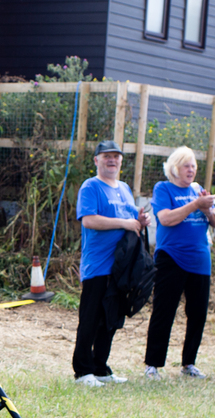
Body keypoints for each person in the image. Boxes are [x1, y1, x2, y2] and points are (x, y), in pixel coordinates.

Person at [72, 140, 149, 387]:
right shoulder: (90, 187)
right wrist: (125, 223)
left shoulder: (125, 188)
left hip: (120, 267)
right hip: (97, 265)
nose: (112, 160)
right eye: (106, 156)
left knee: (110, 321)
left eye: (116, 156)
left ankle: (101, 368)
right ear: (96, 160)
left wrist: (139, 220)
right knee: (90, 319)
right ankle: (83, 371)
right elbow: (89, 221)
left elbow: (130, 218)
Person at [144, 146, 215, 379]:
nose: (192, 170)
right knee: (164, 311)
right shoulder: (163, 188)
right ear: (174, 168)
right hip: (171, 258)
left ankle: (189, 363)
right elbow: (166, 219)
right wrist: (195, 206)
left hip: (200, 259)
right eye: (187, 165)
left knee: (198, 313)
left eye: (194, 166)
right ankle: (153, 364)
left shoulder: (199, 190)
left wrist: (208, 210)